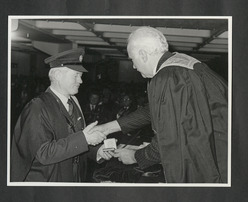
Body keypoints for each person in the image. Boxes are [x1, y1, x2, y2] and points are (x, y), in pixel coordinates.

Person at [91, 27, 228, 183]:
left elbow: (170, 138)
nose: (134, 67)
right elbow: (153, 111)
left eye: (132, 60)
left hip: (204, 169)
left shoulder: (167, 77)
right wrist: (107, 128)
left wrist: (136, 156)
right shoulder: (183, 65)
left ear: (142, 54)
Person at [10, 48, 113, 182]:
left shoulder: (74, 102)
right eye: (76, 75)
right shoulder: (37, 107)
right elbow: (44, 153)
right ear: (58, 75)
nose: (80, 81)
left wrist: (97, 152)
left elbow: (74, 141)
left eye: (80, 76)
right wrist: (85, 139)